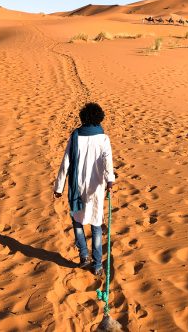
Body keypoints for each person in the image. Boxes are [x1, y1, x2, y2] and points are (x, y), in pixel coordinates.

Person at [54, 102, 115, 276]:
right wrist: (110, 181)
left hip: (76, 187)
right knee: (96, 224)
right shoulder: (103, 138)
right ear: (99, 118)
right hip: (96, 188)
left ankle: (83, 256)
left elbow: (65, 163)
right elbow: (107, 162)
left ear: (83, 118)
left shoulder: (75, 136)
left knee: (77, 221)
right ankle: (97, 265)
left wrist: (59, 187)